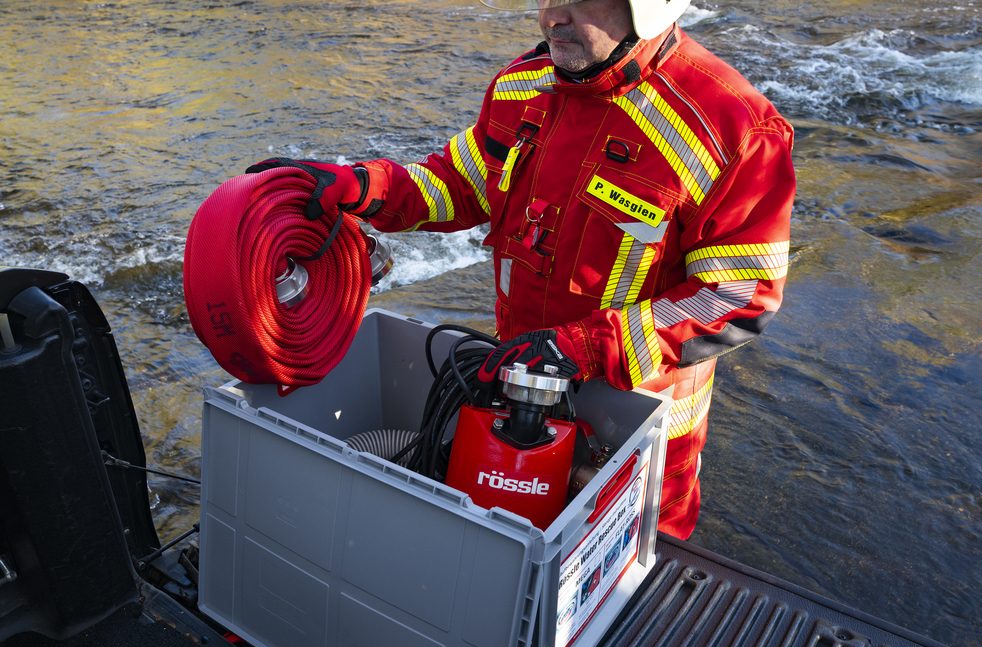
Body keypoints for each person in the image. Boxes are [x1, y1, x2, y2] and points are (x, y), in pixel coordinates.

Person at [247, 0, 795, 539]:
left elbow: (738, 295)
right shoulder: (520, 87)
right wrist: (361, 186)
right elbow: (458, 184)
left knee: (624, 586)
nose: (552, 16)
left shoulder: (736, 130)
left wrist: (583, 348)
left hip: (637, 444)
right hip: (514, 402)